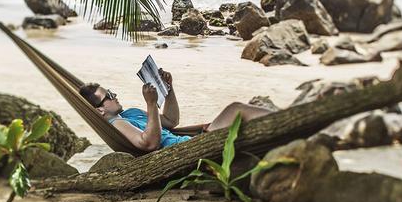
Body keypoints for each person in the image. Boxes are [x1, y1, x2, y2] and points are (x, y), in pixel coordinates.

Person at [79, 68, 272, 152]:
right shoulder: (117, 124)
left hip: (192, 141)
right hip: (188, 151)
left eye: (111, 92)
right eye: (108, 96)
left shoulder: (129, 113)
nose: (114, 96)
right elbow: (149, 144)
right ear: (100, 111)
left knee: (238, 111)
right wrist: (151, 104)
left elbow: (171, 122)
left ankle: (286, 122)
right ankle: (290, 120)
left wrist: (169, 90)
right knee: (237, 110)